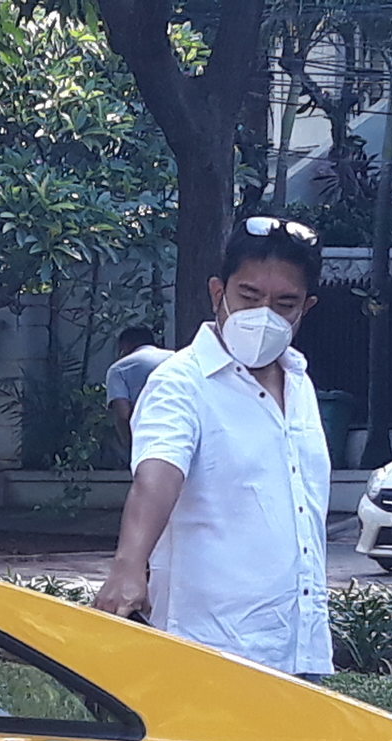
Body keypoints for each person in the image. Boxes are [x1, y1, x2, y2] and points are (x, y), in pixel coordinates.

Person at [92, 216, 332, 678]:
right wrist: (128, 566)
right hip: (208, 654)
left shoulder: (300, 383)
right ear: (217, 291)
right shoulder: (180, 384)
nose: (265, 314)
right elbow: (156, 477)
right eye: (249, 296)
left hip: (299, 652)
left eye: (285, 303)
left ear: (307, 306)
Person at [104, 325, 171, 453]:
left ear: (125, 346)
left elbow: (122, 414)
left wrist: (131, 448)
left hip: (149, 438)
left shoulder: (119, 369)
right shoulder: (178, 358)